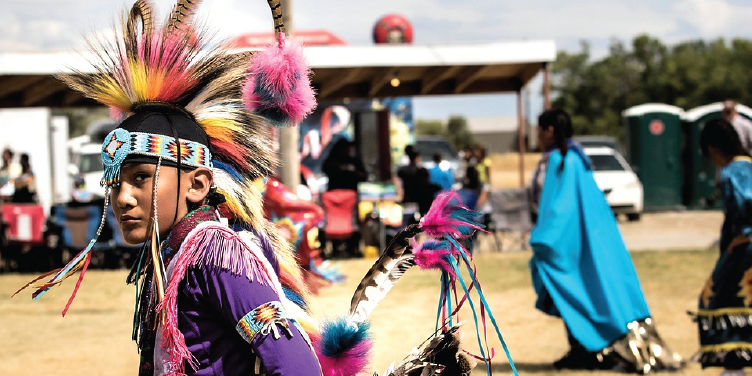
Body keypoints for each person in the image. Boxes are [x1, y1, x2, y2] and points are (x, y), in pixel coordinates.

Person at [529, 108, 683, 373]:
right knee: (584, 291)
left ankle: (593, 349)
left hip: (567, 241)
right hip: (587, 237)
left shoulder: (561, 160)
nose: (537, 135)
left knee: (577, 292)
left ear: (549, 130)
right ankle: (584, 349)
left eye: (539, 129)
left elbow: (560, 208)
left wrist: (543, 239)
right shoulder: (575, 158)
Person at [695, 118, 752, 376]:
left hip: (744, 252)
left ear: (712, 149)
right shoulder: (748, 166)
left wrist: (746, 235)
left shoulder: (733, 171)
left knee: (715, 299)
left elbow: (746, 204)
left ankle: (733, 367)